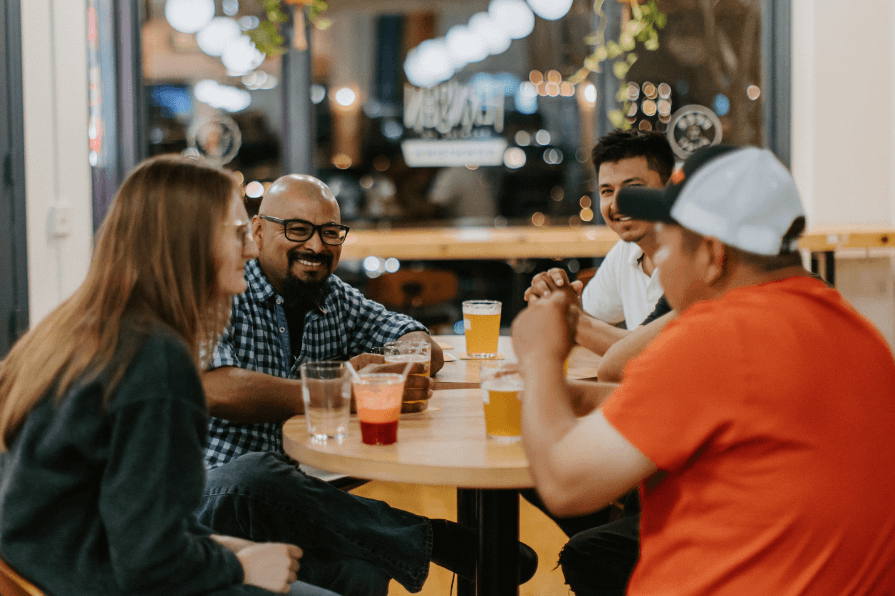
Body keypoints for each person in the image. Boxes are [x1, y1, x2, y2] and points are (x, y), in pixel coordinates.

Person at [512, 145, 895, 594]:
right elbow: (723, 414)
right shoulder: (855, 330)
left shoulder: (718, 337)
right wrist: (576, 397)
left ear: (713, 254)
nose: (660, 262)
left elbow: (563, 481)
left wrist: (539, 356)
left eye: (668, 242)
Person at [0, 155, 337, 596]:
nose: (252, 249)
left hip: (47, 572)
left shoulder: (78, 329)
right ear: (189, 243)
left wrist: (221, 549)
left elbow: (120, 514)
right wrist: (239, 567)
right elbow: (149, 565)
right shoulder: (155, 362)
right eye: (238, 234)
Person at [197, 174, 536, 596]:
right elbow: (215, 389)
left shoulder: (332, 295)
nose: (317, 247)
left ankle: (446, 547)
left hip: (292, 500)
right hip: (206, 498)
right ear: (259, 231)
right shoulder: (223, 287)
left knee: (362, 571)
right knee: (253, 475)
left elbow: (411, 335)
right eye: (298, 230)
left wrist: (409, 359)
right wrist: (342, 388)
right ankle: (433, 540)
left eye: (330, 233)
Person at [524, 130, 674, 355]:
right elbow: (589, 325)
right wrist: (556, 300)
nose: (617, 204)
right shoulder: (627, 251)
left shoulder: (695, 258)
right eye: (607, 191)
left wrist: (568, 318)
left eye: (633, 188)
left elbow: (649, 352)